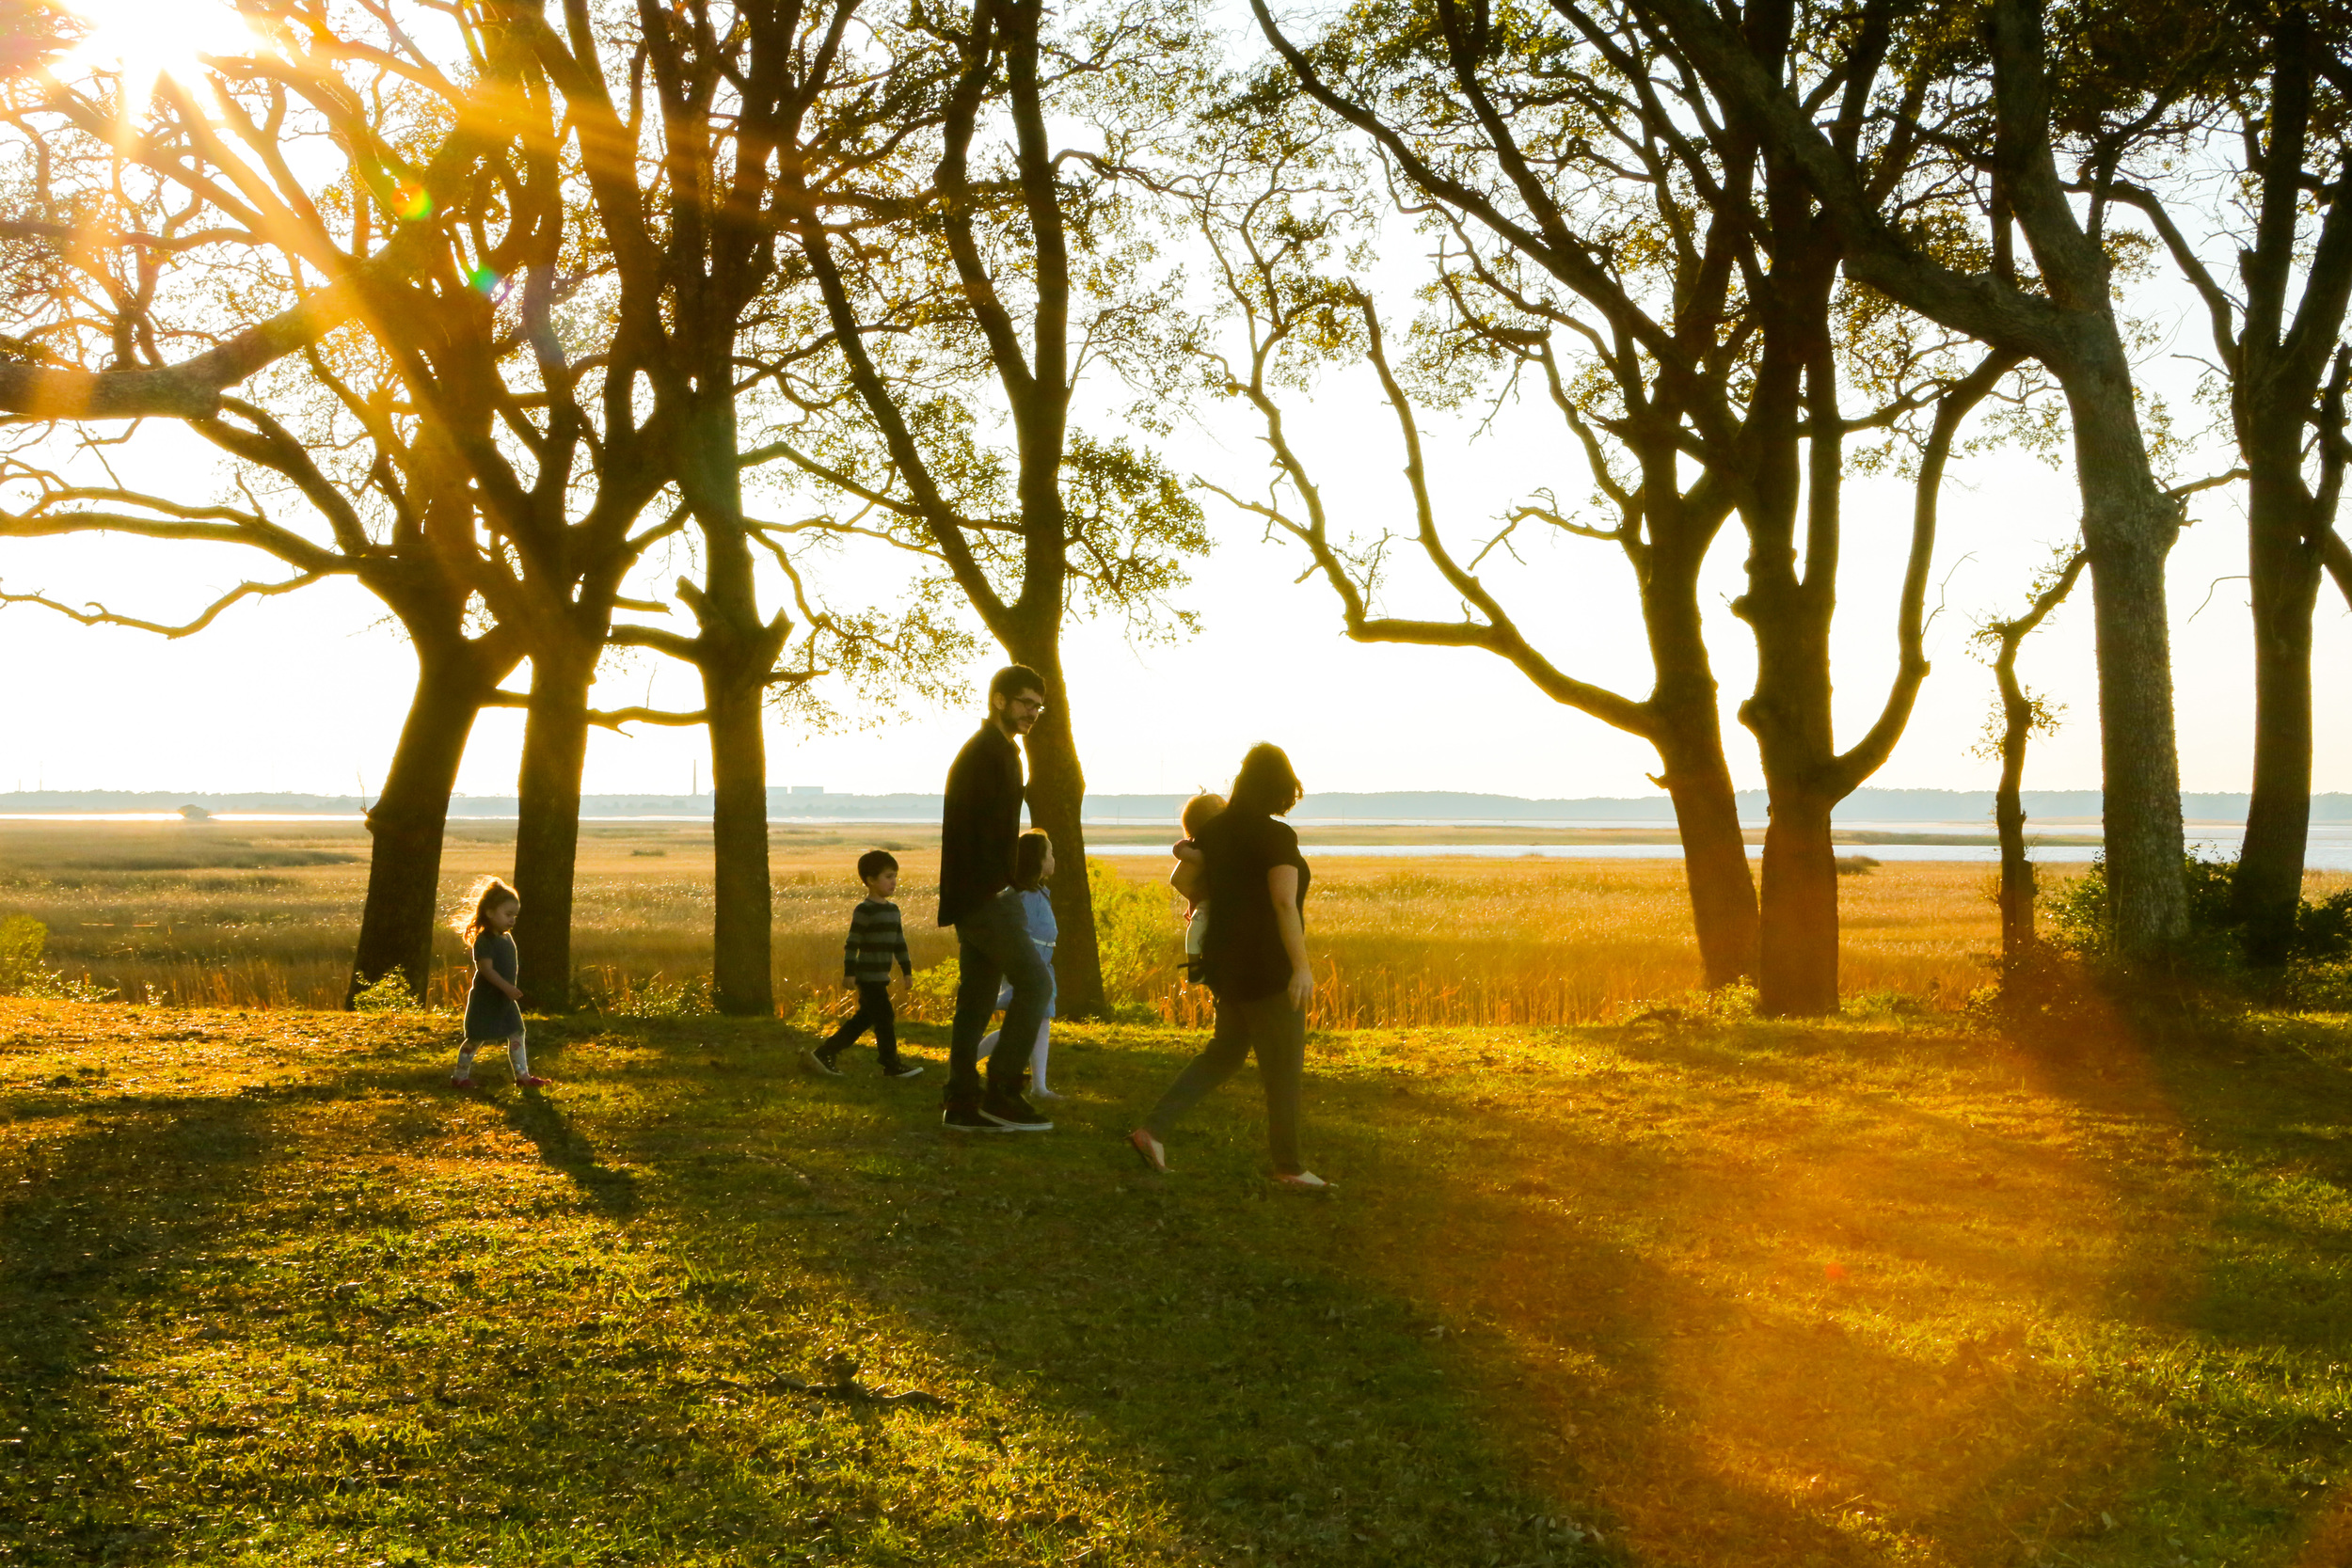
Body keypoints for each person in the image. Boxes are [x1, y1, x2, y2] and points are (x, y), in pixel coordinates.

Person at [1130, 744, 1327, 1189]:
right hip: (1267, 967)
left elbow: (1187, 875)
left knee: (1223, 1054)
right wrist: (1301, 968)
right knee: (1283, 1070)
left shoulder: (1216, 833)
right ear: (1280, 788)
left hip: (1226, 964)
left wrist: (1205, 903)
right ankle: (1290, 1167)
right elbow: (1282, 903)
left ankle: (1152, 1131)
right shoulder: (1277, 838)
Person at [936, 665, 1057, 1132]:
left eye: (1038, 707)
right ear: (1000, 700)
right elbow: (981, 834)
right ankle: (1002, 1092)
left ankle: (962, 1102)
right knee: (1037, 985)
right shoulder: (990, 753)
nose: (1033, 713)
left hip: (976, 896)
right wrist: (1003, 887)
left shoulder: (998, 751)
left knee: (978, 999)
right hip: (988, 898)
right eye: (1027, 703)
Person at [807, 849, 923, 1080]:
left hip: (881, 976)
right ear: (871, 881)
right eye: (888, 876)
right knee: (885, 1017)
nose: (894, 882)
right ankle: (891, 1064)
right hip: (867, 977)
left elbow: (899, 943)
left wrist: (907, 972)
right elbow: (852, 943)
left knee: (865, 1018)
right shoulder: (864, 910)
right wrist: (849, 973)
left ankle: (825, 1052)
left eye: (895, 876)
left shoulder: (893, 910)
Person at [977, 830, 1059, 1098]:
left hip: (1043, 965)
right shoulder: (1021, 896)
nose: (1053, 858)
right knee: (1025, 1024)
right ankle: (967, 1060)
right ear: (1037, 860)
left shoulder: (1040, 892)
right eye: (1049, 853)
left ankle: (1040, 1086)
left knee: (1038, 1022)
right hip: (1026, 965)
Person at [452, 877, 548, 1090]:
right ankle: (460, 1076)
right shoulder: (485, 940)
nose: (512, 920)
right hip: (486, 1000)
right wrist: (507, 988)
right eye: (507, 915)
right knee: (475, 1038)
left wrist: (508, 991)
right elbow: (485, 970)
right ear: (489, 912)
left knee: (517, 1032)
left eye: (514, 915)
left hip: (504, 999)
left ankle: (523, 1076)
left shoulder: (507, 938)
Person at [1170, 791, 1224, 982]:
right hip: (1205, 901)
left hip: (1209, 899)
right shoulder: (1197, 845)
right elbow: (1179, 847)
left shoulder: (1212, 843)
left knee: (1198, 928)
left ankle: (1195, 966)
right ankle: (1193, 966)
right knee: (1197, 926)